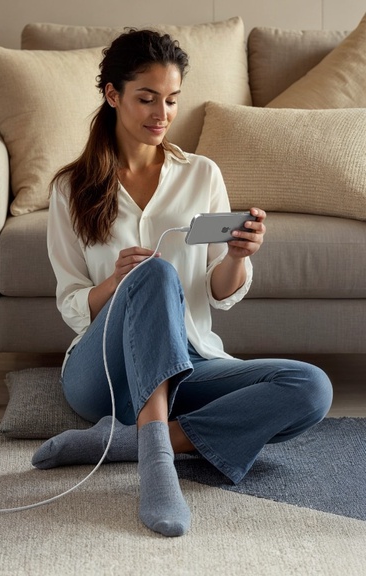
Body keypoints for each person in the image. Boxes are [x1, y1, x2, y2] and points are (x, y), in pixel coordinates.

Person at [32, 29, 333, 537]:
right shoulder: (71, 187)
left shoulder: (201, 174)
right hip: (103, 373)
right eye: (147, 98)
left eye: (172, 100)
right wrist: (118, 282)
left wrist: (237, 256)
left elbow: (219, 291)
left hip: (190, 363)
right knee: (153, 271)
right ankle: (157, 468)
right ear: (113, 95)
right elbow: (71, 303)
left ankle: (135, 442)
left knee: (310, 388)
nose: (162, 114)